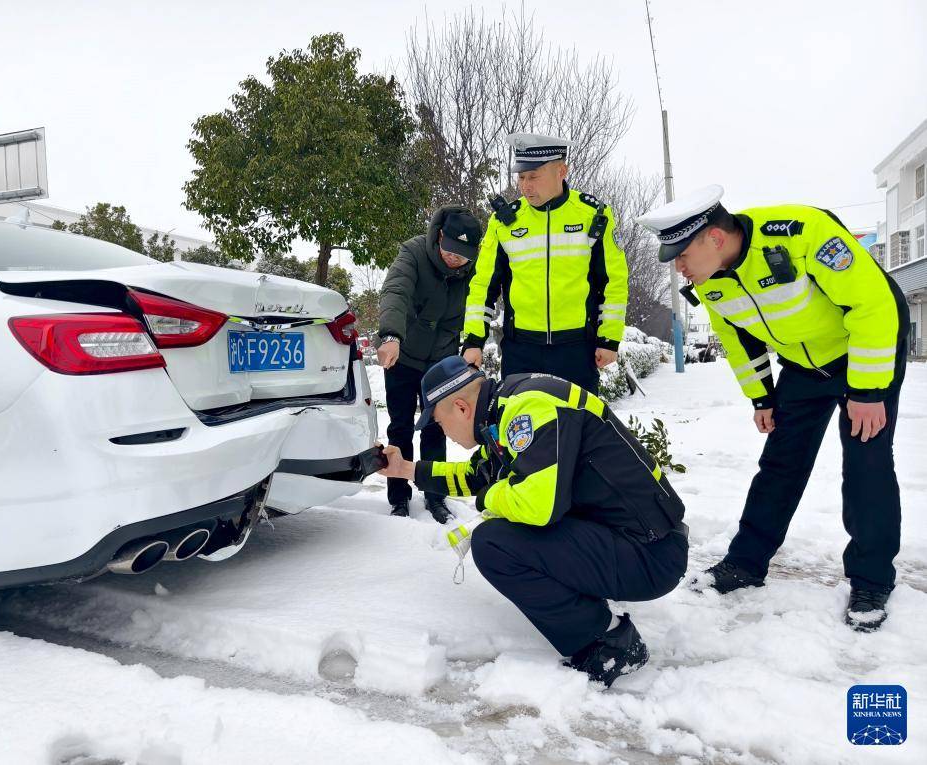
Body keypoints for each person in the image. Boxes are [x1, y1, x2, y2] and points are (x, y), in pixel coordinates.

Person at [638, 185, 909, 632]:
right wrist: (762, 396)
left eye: (682, 254)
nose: (678, 267)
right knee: (780, 463)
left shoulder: (802, 233)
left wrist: (867, 392)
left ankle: (872, 579)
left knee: (867, 463)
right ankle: (745, 563)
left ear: (716, 239)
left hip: (865, 351)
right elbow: (737, 341)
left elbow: (873, 304)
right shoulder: (710, 282)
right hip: (804, 366)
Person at [378, 356, 688, 686]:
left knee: (494, 543)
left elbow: (538, 507)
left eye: (439, 423)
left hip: (649, 555)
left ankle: (610, 643)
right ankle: (593, 612)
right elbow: (476, 475)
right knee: (507, 527)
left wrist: (489, 497)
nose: (444, 433)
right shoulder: (506, 409)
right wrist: (406, 471)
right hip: (637, 540)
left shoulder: (529, 409)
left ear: (461, 408)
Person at [460, 133, 628, 393]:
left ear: (561, 170)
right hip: (521, 352)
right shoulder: (504, 223)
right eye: (521, 177)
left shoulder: (594, 216)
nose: (525, 186)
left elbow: (613, 282)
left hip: (576, 352)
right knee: (522, 430)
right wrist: (473, 340)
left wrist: (609, 339)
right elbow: (483, 286)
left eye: (533, 176)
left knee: (578, 429)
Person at [377, 207, 483, 523]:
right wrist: (392, 335)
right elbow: (396, 292)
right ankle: (398, 497)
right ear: (439, 236)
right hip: (404, 355)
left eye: (463, 254)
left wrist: (474, 342)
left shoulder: (476, 271)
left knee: (437, 428)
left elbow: (482, 305)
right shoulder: (412, 253)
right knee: (400, 427)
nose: (454, 258)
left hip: (441, 363)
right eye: (450, 249)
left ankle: (435, 496)